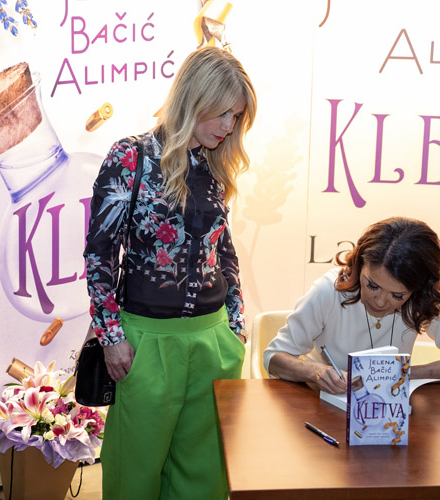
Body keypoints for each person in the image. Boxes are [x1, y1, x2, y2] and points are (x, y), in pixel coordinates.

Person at [84, 46, 257, 500]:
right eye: (223, 112)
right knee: (134, 474)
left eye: (237, 117)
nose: (229, 126)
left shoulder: (215, 164)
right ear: (194, 97)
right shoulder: (131, 157)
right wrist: (111, 336)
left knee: (203, 476)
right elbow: (100, 254)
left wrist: (236, 325)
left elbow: (224, 251)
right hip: (146, 343)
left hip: (213, 341)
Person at [263, 217, 440, 395]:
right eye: (372, 285)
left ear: (418, 290)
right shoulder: (329, 290)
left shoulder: (423, 299)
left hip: (385, 413)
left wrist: (400, 373)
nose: (380, 301)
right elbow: (273, 357)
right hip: (319, 405)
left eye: (397, 295)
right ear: (360, 265)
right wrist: (316, 372)